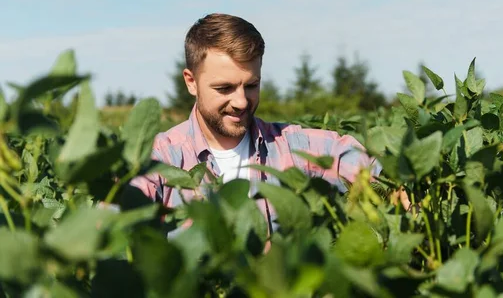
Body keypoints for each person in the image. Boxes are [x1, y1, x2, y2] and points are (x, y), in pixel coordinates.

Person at [130, 13, 411, 236]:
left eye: (251, 85)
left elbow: (371, 168)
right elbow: (111, 230)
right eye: (225, 88)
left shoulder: (290, 146)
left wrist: (403, 193)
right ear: (191, 82)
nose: (241, 101)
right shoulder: (159, 160)